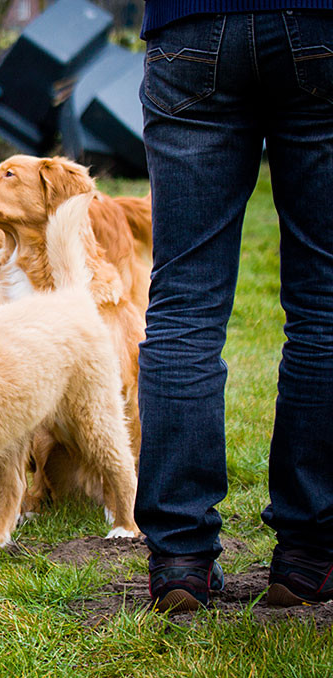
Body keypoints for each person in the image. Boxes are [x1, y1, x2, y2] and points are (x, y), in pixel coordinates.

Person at [137, 4, 333, 612]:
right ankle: (308, 557)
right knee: (325, 303)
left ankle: (180, 559)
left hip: (189, 25)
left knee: (183, 304)